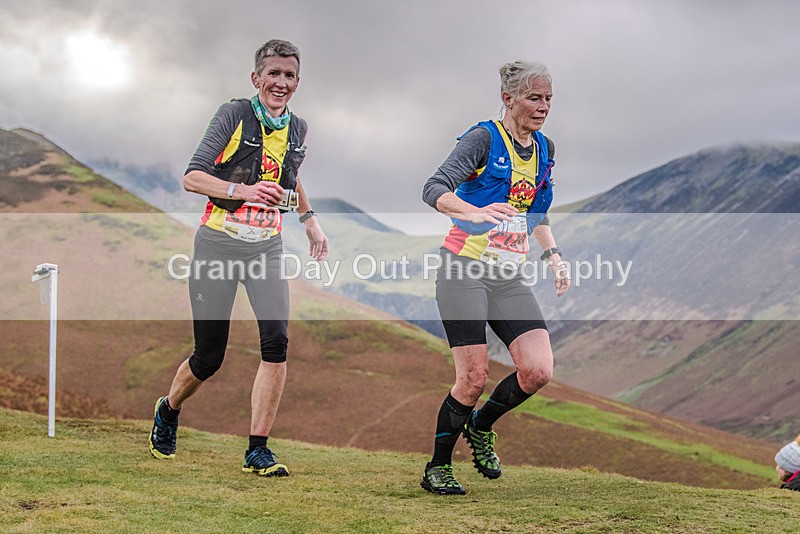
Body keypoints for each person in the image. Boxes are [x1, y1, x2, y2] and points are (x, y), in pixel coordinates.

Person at [148, 39, 328, 478]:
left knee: (277, 343)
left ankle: (257, 449)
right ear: (256, 78)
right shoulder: (234, 115)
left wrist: (309, 220)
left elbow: (291, 171)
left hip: (265, 248)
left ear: (297, 82)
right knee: (209, 357)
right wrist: (242, 191)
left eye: (289, 76)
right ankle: (169, 410)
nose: (281, 83)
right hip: (218, 245)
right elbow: (192, 177)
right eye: (273, 74)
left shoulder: (299, 128)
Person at [420, 60, 570, 494]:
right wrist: (475, 212)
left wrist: (554, 255)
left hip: (508, 277)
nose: (543, 107)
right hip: (462, 270)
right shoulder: (482, 138)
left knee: (538, 371)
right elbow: (433, 188)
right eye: (533, 98)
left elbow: (537, 213)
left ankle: (481, 426)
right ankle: (438, 468)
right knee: (472, 379)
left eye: (548, 99)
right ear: (508, 98)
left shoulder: (545, 148)